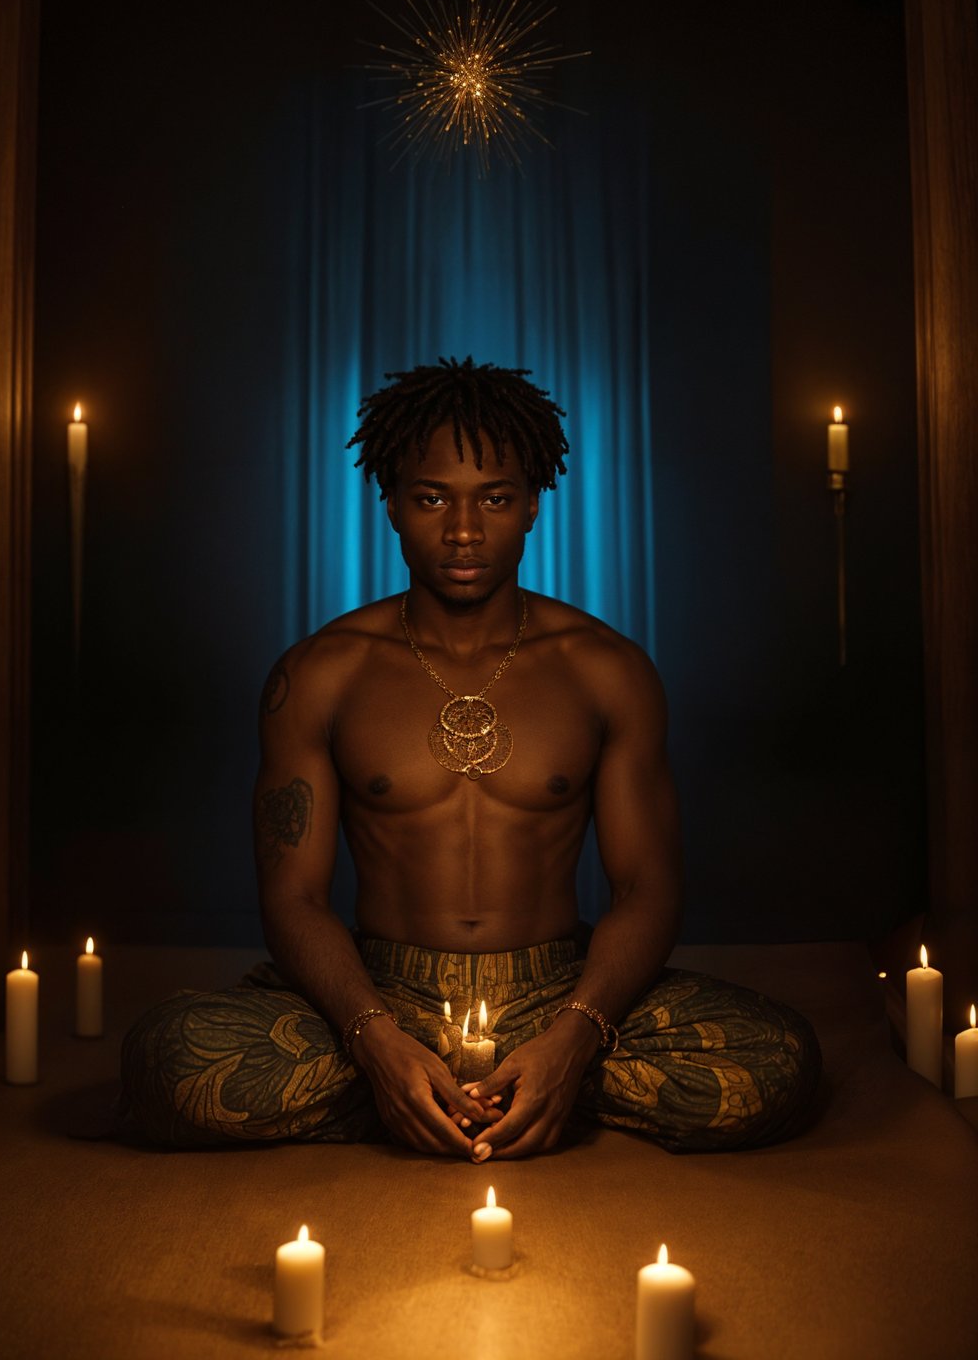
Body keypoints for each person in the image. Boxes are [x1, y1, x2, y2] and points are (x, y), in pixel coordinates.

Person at [122, 356, 820, 1159]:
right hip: (378, 992)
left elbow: (647, 887)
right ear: (389, 505)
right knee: (168, 1058)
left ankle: (518, 1084)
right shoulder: (319, 674)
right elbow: (294, 898)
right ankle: (425, 1085)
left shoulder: (607, 670)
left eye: (494, 499)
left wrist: (574, 1037)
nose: (462, 531)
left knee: (778, 1060)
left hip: (560, 990)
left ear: (531, 505)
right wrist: (373, 1038)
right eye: (431, 499)